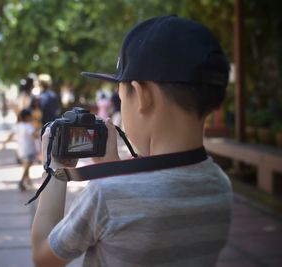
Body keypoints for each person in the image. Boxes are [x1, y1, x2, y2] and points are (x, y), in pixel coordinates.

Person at [31, 15, 233, 267]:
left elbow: (43, 256)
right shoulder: (220, 184)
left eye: (122, 97)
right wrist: (112, 169)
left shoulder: (106, 197)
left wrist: (54, 169)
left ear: (141, 95)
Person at [3, 109, 38, 191]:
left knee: (26, 166)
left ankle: (28, 181)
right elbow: (35, 136)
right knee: (27, 165)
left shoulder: (17, 126)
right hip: (29, 149)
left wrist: (5, 143)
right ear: (27, 117)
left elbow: (10, 136)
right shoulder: (28, 126)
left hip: (20, 150)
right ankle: (22, 181)